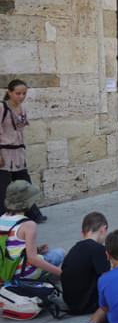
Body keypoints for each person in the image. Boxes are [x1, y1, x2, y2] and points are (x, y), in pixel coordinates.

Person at [0, 79, 47, 222]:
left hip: (18, 153)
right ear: (9, 92)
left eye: (24, 94)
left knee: (24, 184)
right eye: (18, 93)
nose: (21, 96)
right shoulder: (2, 107)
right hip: (4, 152)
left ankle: (32, 214)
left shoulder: (22, 109)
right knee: (4, 188)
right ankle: (5, 219)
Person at [0, 180, 63, 282]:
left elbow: (10, 247)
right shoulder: (28, 225)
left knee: (44, 255)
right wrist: (61, 272)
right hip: (22, 273)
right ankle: (41, 279)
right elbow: (32, 259)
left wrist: (37, 249)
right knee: (59, 253)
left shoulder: (2, 219)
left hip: (4, 272)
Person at [60, 212, 110, 315]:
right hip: (87, 305)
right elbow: (107, 279)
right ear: (103, 229)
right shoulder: (98, 249)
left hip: (71, 302)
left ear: (83, 233)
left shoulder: (74, 249)